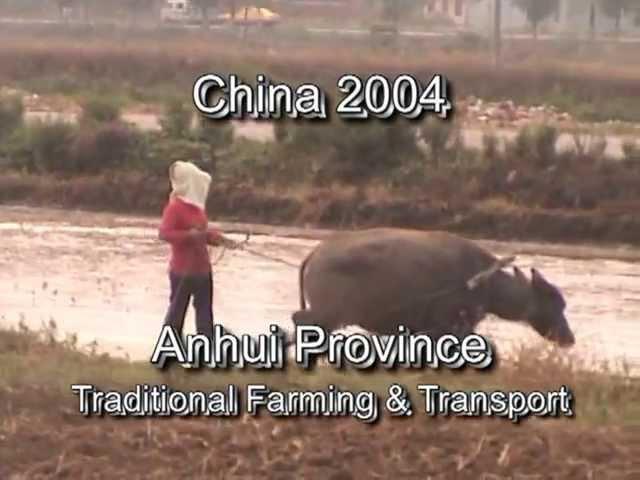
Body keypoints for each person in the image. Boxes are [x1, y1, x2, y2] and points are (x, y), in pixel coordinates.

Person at [158, 160, 237, 339]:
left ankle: (206, 352)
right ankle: (170, 353)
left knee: (205, 314)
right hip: (182, 270)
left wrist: (220, 240)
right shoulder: (175, 208)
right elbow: (164, 234)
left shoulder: (198, 209)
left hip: (202, 269)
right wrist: (188, 235)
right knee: (176, 315)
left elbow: (203, 234)